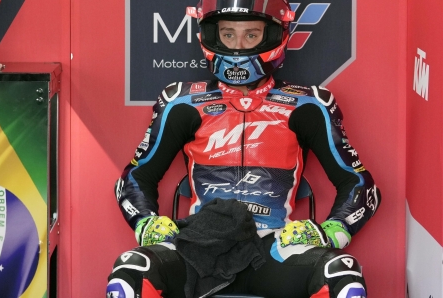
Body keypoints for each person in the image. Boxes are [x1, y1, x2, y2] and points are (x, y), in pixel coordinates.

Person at [107, 0, 381, 297]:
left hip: (273, 248)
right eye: (228, 34)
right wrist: (146, 223)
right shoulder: (180, 102)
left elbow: (361, 185)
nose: (238, 46)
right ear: (211, 36)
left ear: (275, 36)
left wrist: (329, 234)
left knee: (341, 275)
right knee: (131, 270)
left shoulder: (310, 104)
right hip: (197, 244)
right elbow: (134, 179)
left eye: (251, 35)